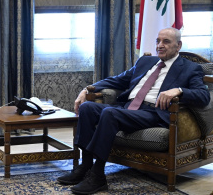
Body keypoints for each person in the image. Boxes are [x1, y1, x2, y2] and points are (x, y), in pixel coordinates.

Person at [57, 27, 210, 194]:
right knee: (87, 108)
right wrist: (86, 90)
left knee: (109, 113)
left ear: (178, 45)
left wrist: (179, 90)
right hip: (127, 109)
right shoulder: (145, 62)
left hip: (153, 113)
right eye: (158, 41)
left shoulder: (190, 68)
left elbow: (203, 96)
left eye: (166, 42)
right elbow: (117, 80)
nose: (160, 45)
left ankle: (98, 176)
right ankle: (85, 165)